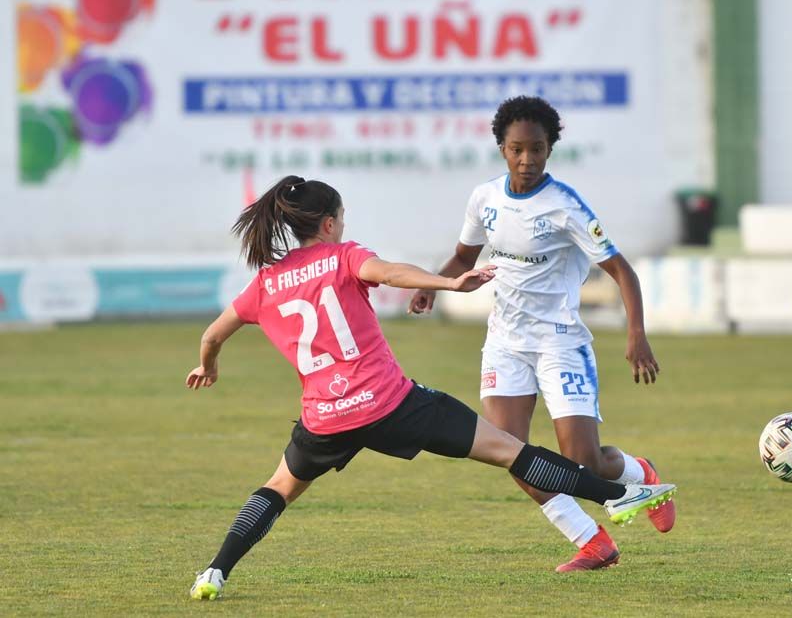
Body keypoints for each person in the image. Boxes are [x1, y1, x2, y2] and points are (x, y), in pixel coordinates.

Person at [186, 175, 675, 600]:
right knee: (508, 449)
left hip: (325, 417)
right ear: (331, 224)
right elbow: (392, 272)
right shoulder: (342, 257)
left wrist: (208, 365)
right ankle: (614, 494)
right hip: (392, 404)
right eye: (342, 217)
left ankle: (214, 571)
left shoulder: (265, 284)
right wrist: (451, 283)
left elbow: (212, 335)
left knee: (278, 489)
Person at [408, 96, 676, 572]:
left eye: (537, 149)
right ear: (501, 148)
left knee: (585, 463)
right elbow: (463, 259)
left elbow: (622, 270)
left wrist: (636, 334)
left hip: (560, 343)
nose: (526, 159)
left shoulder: (565, 206)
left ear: (550, 149)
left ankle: (641, 473)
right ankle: (592, 541)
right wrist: (435, 286)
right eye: (517, 149)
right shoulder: (485, 198)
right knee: (508, 453)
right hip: (505, 344)